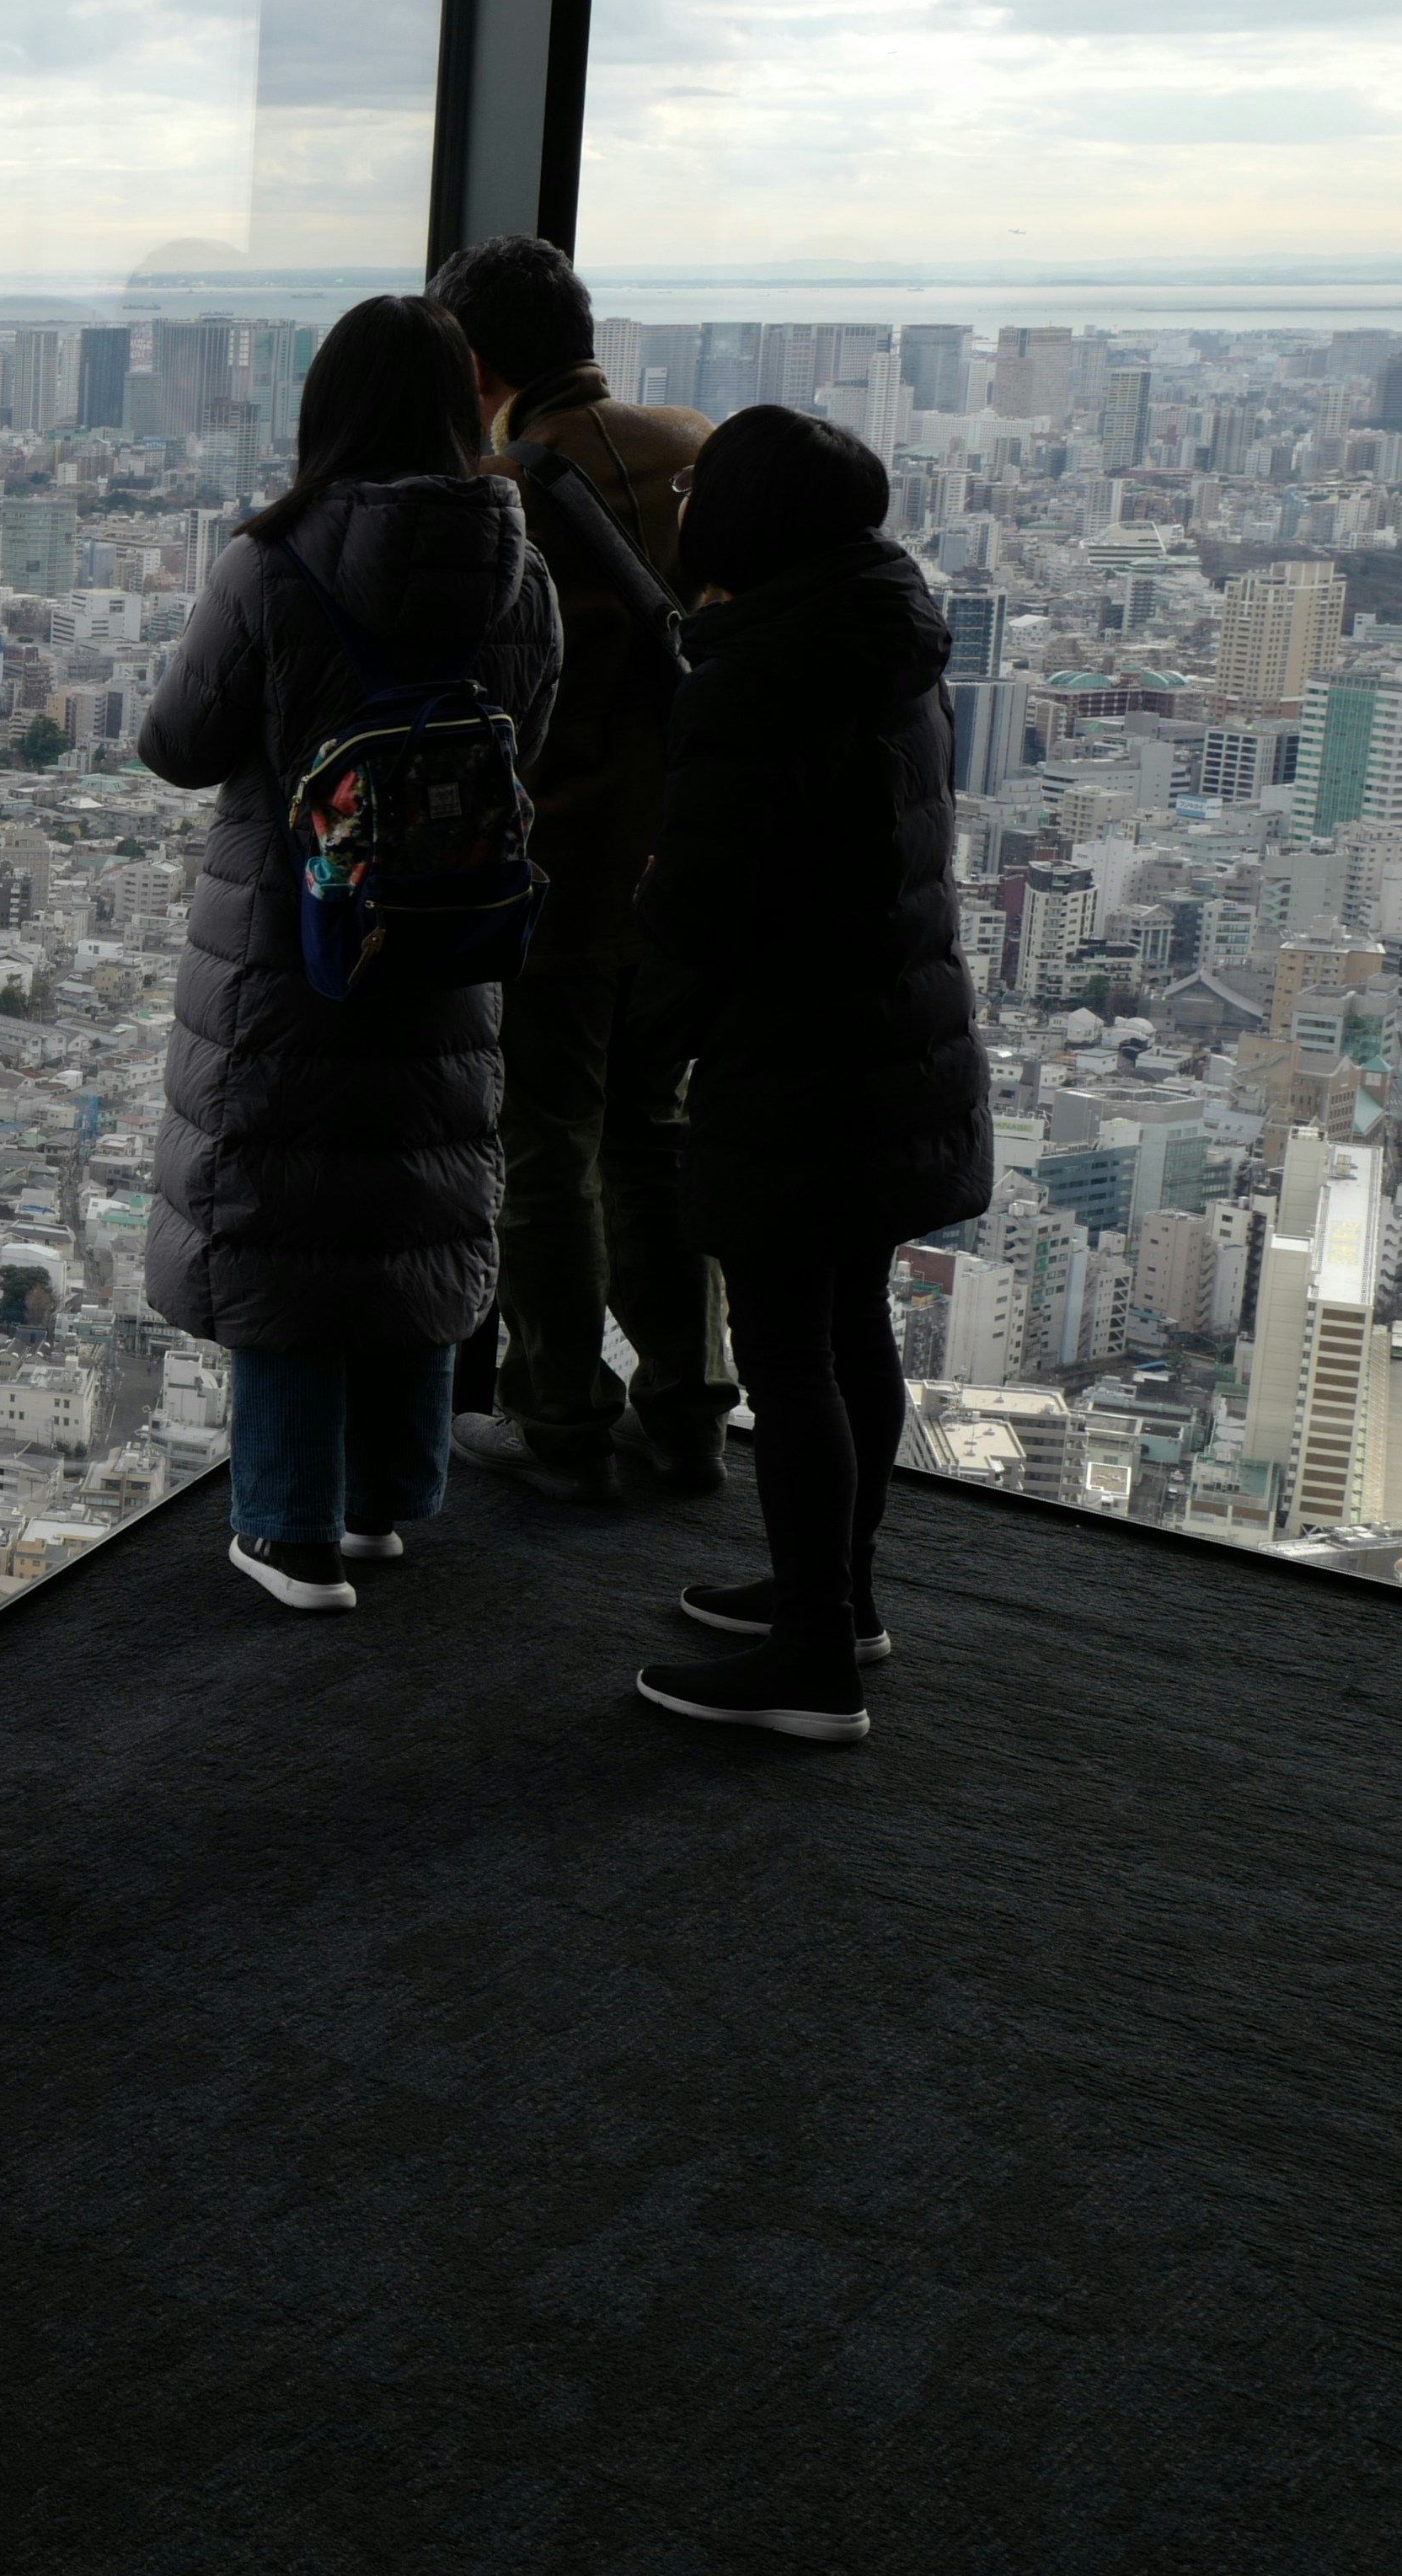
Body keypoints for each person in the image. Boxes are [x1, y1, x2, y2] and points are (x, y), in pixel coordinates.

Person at [140, 295, 562, 1611]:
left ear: (324, 408)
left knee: (288, 1217)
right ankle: (387, 1502)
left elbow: (178, 744)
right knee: (408, 1198)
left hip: (292, 939)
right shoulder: (522, 571)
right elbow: (524, 750)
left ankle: (287, 1527)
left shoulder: (271, 565)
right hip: (449, 937)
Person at [627, 406, 988, 1742]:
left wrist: (640, 1019)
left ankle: (813, 1657)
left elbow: (706, 900)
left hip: (799, 1053)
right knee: (848, 1328)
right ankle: (837, 1593)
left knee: (789, 1350)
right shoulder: (889, 643)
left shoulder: (762, 672)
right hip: (895, 1037)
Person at [429, 236, 730, 1503]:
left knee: (545, 1146)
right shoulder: (698, 450)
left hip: (556, 869)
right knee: (652, 1135)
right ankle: (688, 1406)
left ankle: (557, 1415)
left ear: (477, 361)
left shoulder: (496, 497)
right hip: (691, 864)